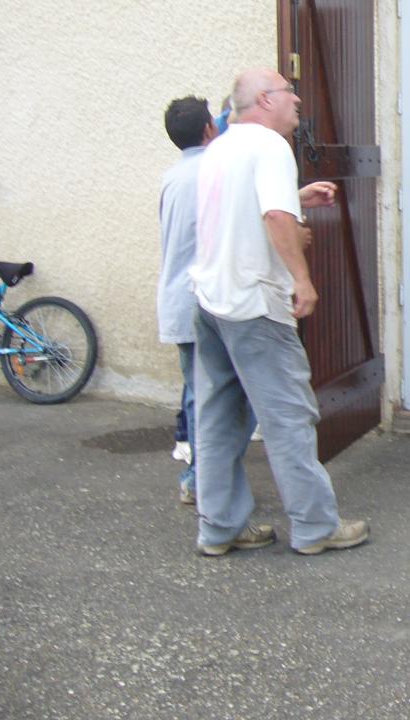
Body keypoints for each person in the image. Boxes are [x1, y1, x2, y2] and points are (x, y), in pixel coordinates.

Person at [188, 67, 368, 557]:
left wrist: (295, 197)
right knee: (289, 416)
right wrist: (301, 278)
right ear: (265, 100)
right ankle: (315, 527)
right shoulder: (270, 147)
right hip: (254, 303)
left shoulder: (220, 147)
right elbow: (273, 216)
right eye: (291, 93)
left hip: (210, 300)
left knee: (219, 419)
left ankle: (218, 528)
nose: (299, 101)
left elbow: (244, 209)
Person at [158, 96, 221, 506]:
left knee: (196, 390)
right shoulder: (212, 172)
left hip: (178, 300)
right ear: (208, 130)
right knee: (207, 396)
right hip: (203, 301)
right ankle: (200, 479)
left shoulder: (172, 175)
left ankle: (196, 473)